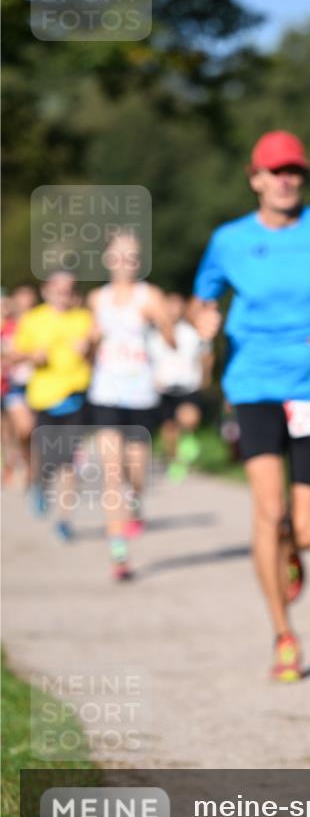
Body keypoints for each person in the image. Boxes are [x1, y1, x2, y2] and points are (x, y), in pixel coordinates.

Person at [190, 130, 310, 681]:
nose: (286, 181)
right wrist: (202, 318)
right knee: (269, 510)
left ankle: (293, 552)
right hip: (254, 384)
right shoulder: (229, 240)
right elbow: (202, 297)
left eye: (295, 172)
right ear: (255, 179)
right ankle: (284, 633)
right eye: (276, 172)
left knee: (307, 528)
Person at [87, 231, 175, 580]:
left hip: (140, 395)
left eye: (133, 257)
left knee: (136, 473)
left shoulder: (149, 295)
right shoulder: (97, 298)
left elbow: (170, 337)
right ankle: (118, 552)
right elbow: (92, 340)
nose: (126, 262)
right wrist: (87, 343)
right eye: (120, 255)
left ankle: (135, 501)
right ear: (108, 259)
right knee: (112, 473)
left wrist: (164, 322)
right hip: (106, 392)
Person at [11, 271, 93, 539]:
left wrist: (89, 348)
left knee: (69, 460)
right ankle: (40, 484)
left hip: (74, 396)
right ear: (46, 291)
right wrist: (33, 355)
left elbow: (101, 351)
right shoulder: (33, 319)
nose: (63, 293)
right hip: (42, 398)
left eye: (69, 289)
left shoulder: (84, 318)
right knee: (47, 459)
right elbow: (14, 353)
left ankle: (64, 520)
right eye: (58, 288)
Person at [149, 292, 213, 482]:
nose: (173, 310)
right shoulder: (154, 334)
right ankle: (175, 459)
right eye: (170, 306)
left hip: (188, 385)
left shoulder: (192, 333)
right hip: (164, 387)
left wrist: (206, 376)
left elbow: (206, 355)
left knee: (189, 418)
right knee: (169, 428)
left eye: (177, 306)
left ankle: (189, 439)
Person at [2, 285, 38, 486]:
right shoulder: (7, 325)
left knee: (33, 429)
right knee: (22, 429)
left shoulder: (41, 322)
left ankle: (34, 467)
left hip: (39, 383)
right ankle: (25, 463)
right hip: (14, 384)